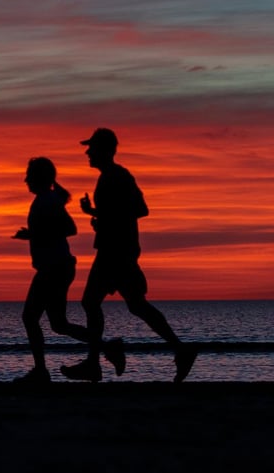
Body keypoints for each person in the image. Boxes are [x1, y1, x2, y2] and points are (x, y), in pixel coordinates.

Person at [60, 128, 198, 383]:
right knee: (135, 305)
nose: (87, 152)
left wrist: (102, 215)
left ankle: (95, 362)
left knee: (93, 302)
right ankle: (180, 350)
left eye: (91, 148)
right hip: (117, 249)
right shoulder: (112, 177)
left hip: (115, 252)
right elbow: (125, 211)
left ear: (104, 150)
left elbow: (139, 210)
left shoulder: (117, 176)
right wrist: (95, 212)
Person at [12, 156, 125, 383]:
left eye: (29, 175)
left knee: (30, 316)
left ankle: (40, 372)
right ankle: (108, 347)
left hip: (54, 268)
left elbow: (69, 228)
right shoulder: (48, 199)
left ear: (38, 178)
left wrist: (32, 235)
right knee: (58, 324)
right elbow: (59, 221)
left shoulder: (47, 200)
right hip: (57, 266)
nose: (25, 180)